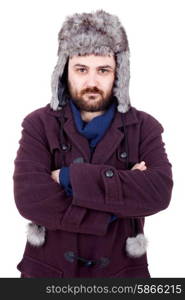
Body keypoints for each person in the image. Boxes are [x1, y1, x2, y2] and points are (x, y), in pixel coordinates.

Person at [13, 10, 173, 278]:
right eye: (81, 69)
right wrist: (116, 205)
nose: (91, 82)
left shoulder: (145, 127)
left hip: (122, 275)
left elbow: (158, 192)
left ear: (118, 74)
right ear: (65, 71)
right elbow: (29, 199)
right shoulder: (37, 124)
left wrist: (67, 177)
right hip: (47, 274)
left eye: (103, 70)